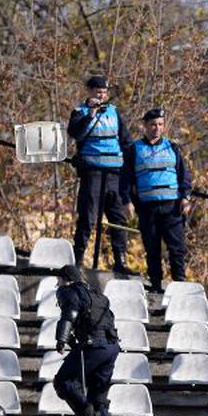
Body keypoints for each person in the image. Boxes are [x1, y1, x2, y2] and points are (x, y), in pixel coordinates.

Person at [120, 107, 192, 293]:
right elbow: (125, 178)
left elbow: (184, 175)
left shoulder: (172, 147)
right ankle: (156, 285)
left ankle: (179, 285)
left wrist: (185, 197)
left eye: (160, 124)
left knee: (177, 248)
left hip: (172, 207)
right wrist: (127, 201)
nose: (157, 128)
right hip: (147, 207)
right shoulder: (134, 149)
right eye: (153, 124)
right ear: (145, 125)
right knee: (152, 249)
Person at [67, 75, 133, 275]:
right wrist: (91, 114)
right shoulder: (80, 112)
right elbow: (75, 133)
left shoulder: (114, 112)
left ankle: (120, 260)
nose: (101, 95)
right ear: (90, 92)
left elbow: (126, 140)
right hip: (93, 172)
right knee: (88, 217)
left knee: (117, 218)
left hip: (115, 173)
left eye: (104, 93)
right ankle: (78, 259)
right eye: (98, 92)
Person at [51, 264, 119, 416]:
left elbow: (70, 313)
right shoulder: (98, 295)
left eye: (59, 280)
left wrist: (62, 339)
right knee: (98, 395)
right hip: (112, 347)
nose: (58, 284)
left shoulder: (69, 290)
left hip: (94, 346)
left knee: (64, 381)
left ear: (65, 279)